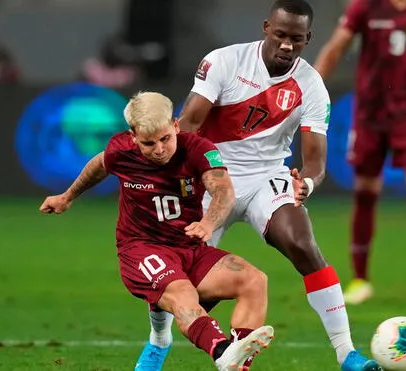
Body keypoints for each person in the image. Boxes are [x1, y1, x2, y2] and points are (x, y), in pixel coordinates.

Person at [134, 1, 381, 371]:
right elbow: (191, 121)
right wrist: (168, 172)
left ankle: (346, 353)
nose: (286, 45)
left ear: (308, 39)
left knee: (303, 244)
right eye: (280, 35)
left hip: (266, 177)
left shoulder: (311, 86)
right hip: (210, 175)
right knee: (180, 280)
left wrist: (307, 185)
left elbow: (315, 162)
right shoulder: (224, 61)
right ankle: (159, 340)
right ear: (267, 27)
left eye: (296, 39)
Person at [39, 92, 275, 371]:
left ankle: (236, 363)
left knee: (254, 281)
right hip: (140, 247)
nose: (160, 149)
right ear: (133, 136)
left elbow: (223, 191)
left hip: (189, 246)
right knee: (182, 292)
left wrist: (209, 225)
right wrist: (67, 196)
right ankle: (224, 354)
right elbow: (99, 165)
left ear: (176, 125)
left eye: (165, 139)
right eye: (149, 143)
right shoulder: (121, 150)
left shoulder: (199, 149)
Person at [313, 0, 406, 304]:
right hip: (370, 113)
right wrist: (310, 88)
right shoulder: (365, 6)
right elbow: (336, 47)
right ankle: (361, 279)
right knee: (365, 192)